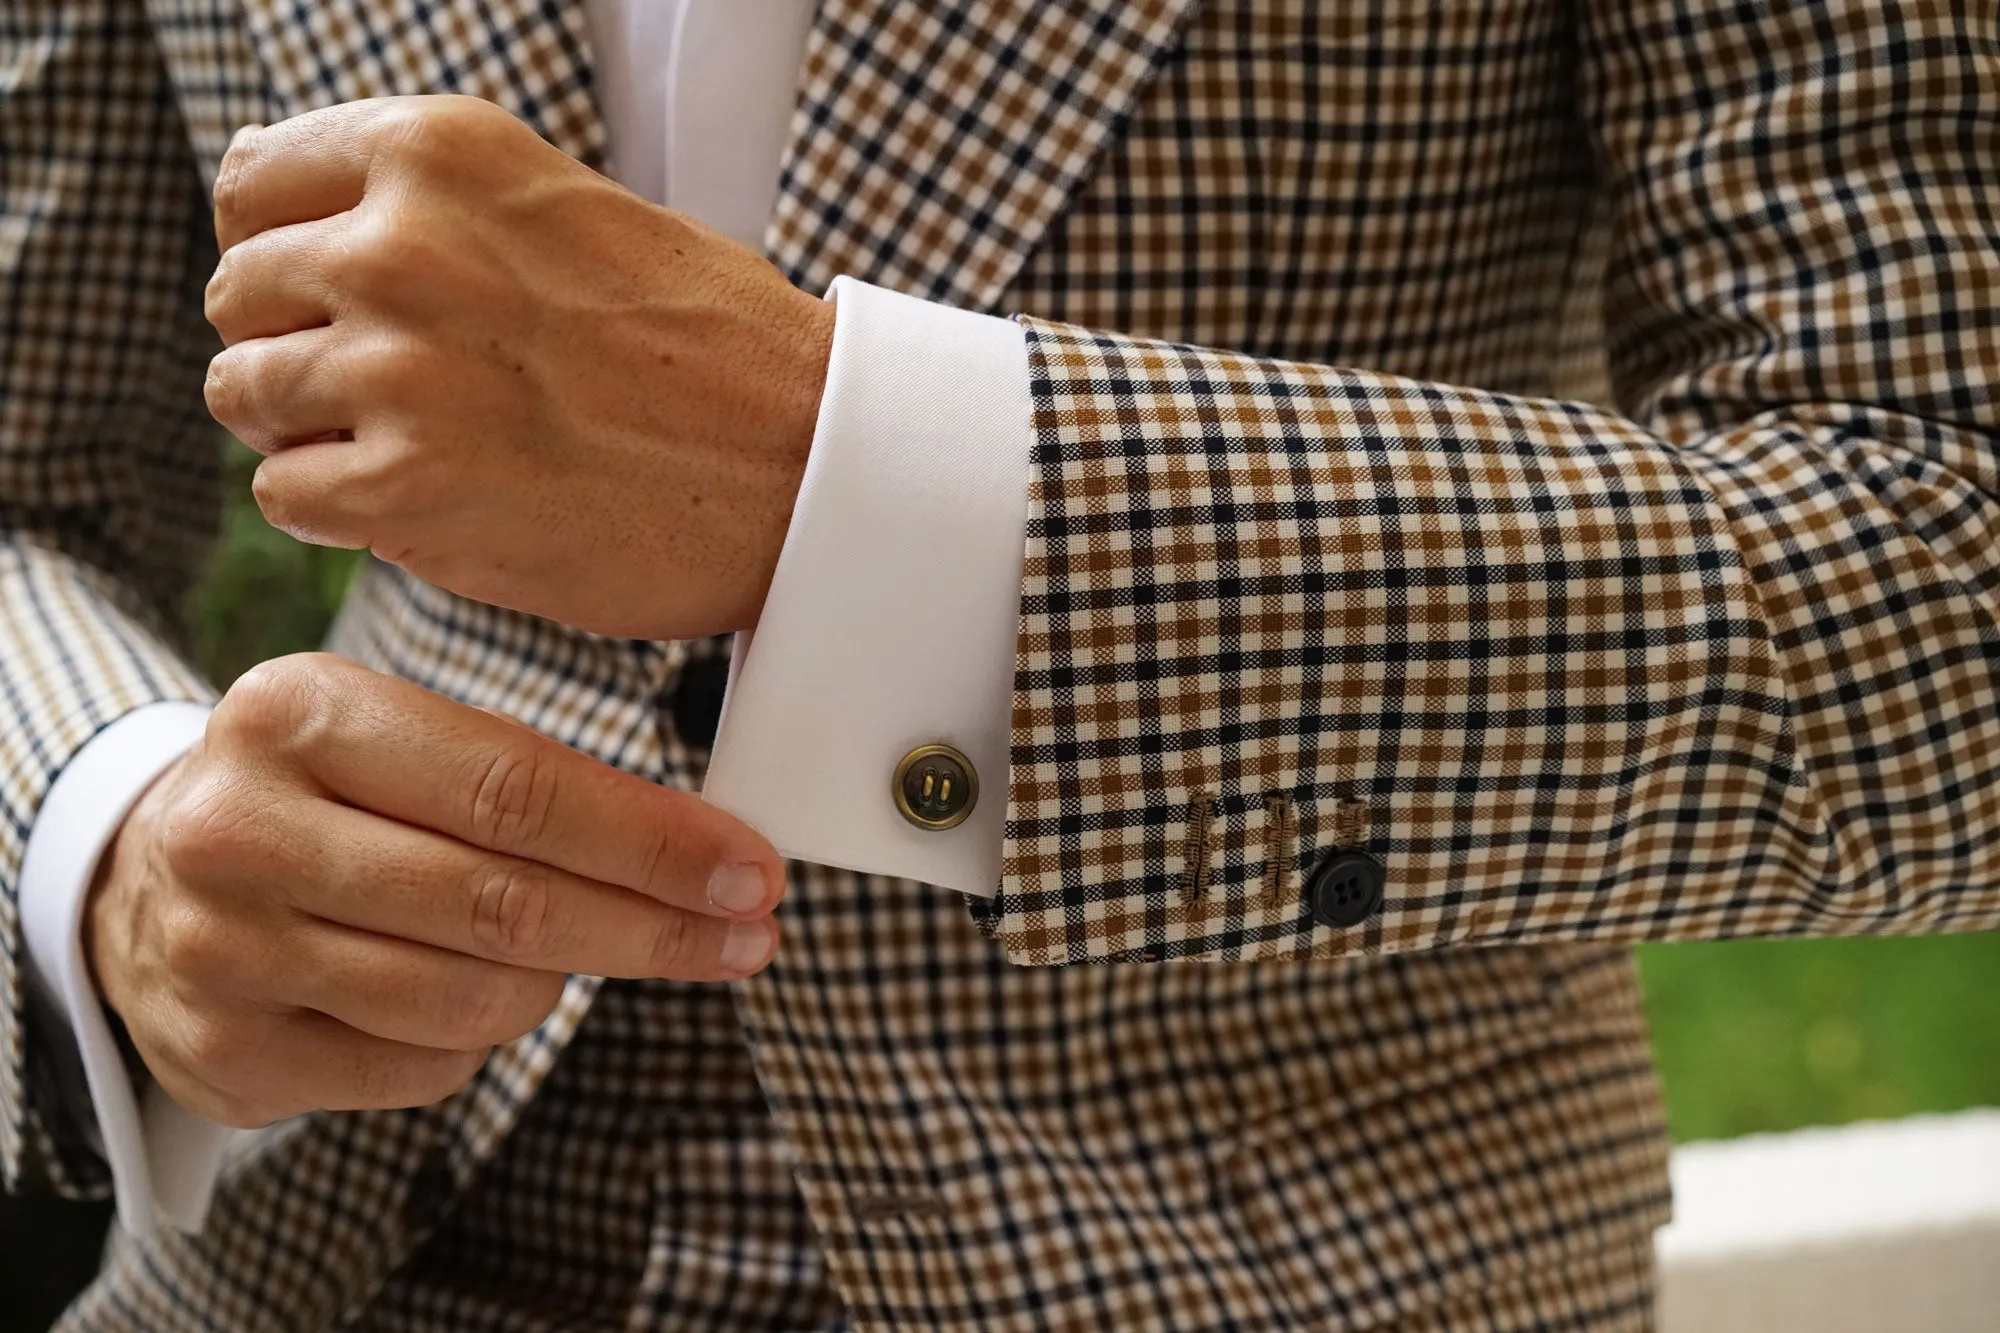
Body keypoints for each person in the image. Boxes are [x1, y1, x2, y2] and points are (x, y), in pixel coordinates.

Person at [4, 0, 1995, 1328]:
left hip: (1286, 1254)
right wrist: (113, 830)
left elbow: (1942, 568)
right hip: (307, 1250)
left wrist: (863, 481)